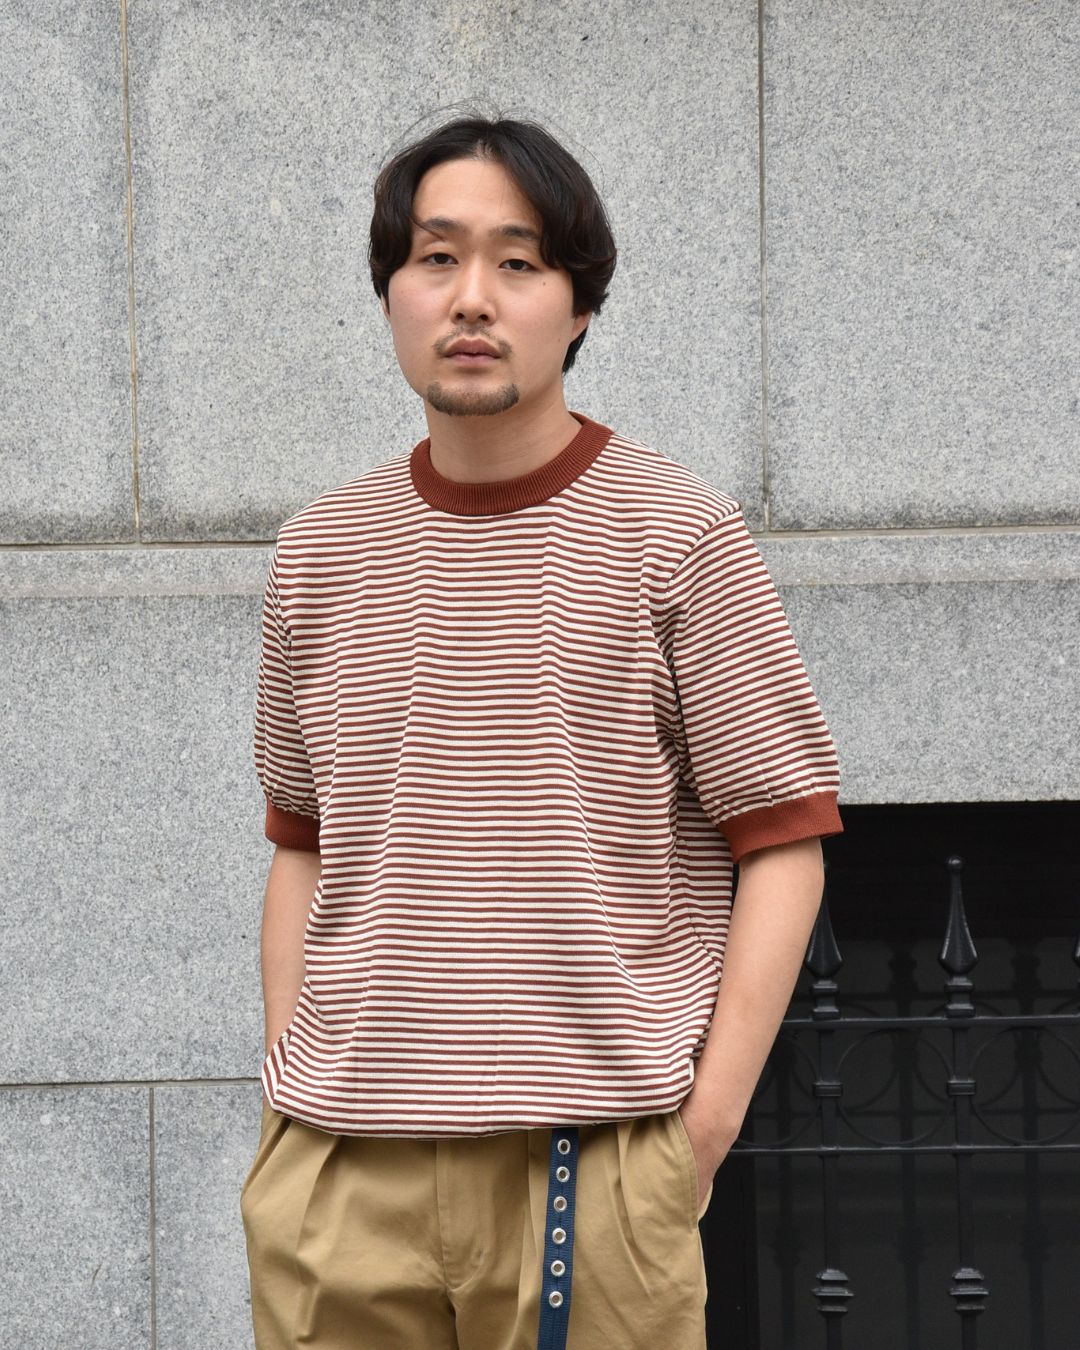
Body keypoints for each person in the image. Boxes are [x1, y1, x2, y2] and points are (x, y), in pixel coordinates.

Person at [240, 113, 843, 1350]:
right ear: (391, 292)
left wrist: (700, 1132)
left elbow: (784, 841)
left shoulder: (678, 534)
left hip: (595, 1162)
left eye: (517, 262)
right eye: (436, 257)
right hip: (341, 1171)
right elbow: (302, 842)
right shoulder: (318, 552)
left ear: (579, 305)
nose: (472, 297)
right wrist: (290, 1084)